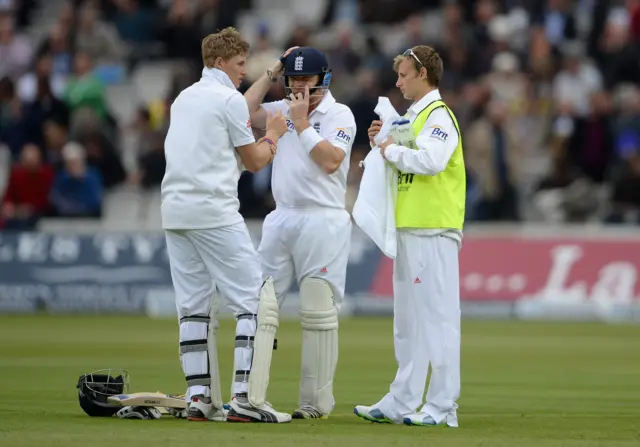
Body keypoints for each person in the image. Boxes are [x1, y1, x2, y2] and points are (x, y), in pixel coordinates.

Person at [160, 27, 291, 424]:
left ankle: (199, 397)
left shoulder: (184, 98)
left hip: (175, 214)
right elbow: (253, 161)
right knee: (256, 302)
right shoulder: (228, 100)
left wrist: (270, 75)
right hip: (213, 212)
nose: (242, 71)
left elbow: (233, 106)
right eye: (238, 65)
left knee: (194, 307)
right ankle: (245, 400)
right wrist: (272, 136)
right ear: (220, 63)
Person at [354, 45, 465, 428]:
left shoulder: (438, 116)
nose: (398, 81)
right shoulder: (411, 117)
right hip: (410, 226)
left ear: (423, 73)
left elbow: (431, 162)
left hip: (433, 228)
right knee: (409, 323)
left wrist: (389, 150)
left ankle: (442, 406)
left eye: (403, 74)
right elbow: (400, 160)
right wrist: (381, 142)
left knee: (438, 319)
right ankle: (402, 400)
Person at [244, 47, 357, 419]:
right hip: (282, 217)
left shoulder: (340, 114)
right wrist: (273, 70)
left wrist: (302, 123)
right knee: (261, 307)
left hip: (323, 220)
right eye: (293, 79)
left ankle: (315, 404)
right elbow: (242, 112)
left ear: (323, 79)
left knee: (318, 313)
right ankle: (249, 397)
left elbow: (331, 161)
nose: (299, 86)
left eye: (306, 78)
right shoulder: (280, 109)